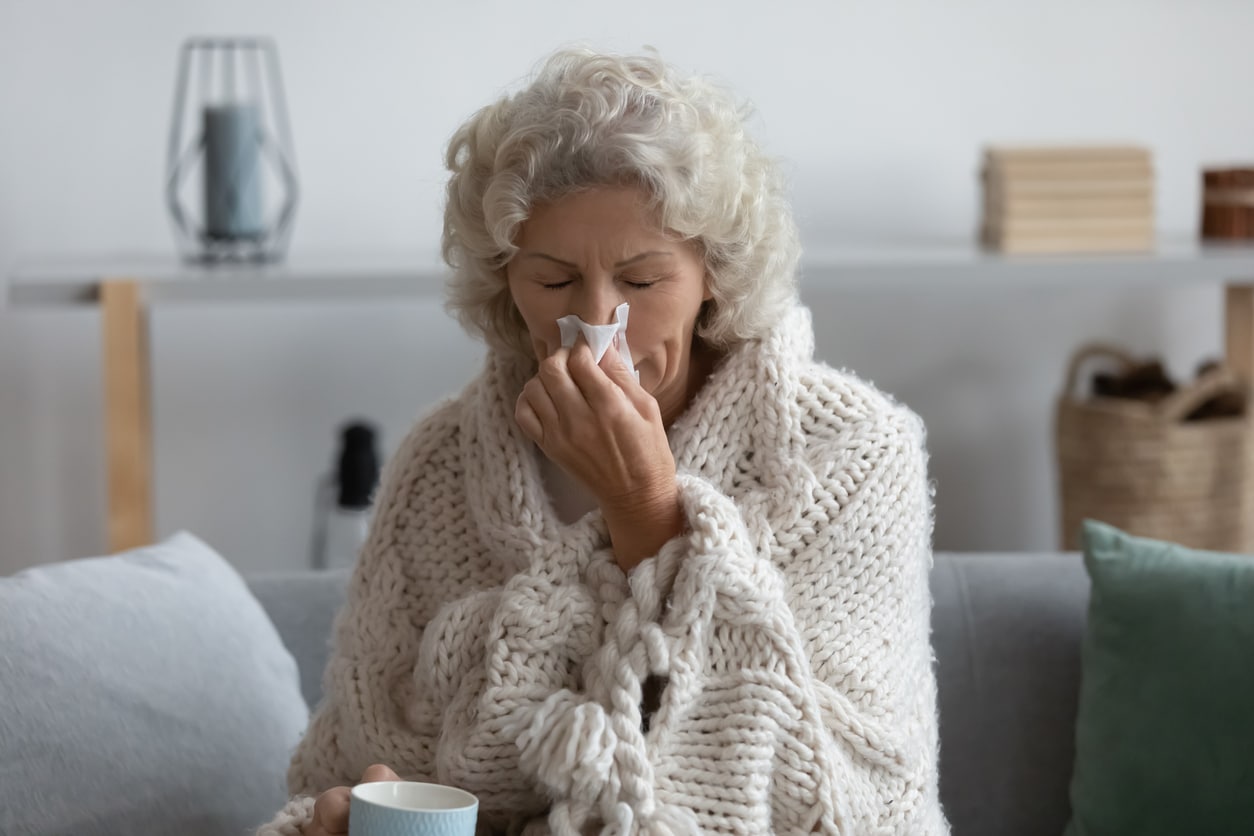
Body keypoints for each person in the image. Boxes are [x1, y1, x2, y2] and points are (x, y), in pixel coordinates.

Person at [259, 46, 947, 836]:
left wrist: (646, 508)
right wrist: (346, 815)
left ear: (713, 274)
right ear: (504, 282)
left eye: (643, 281)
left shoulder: (853, 455)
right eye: (553, 281)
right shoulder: (441, 464)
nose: (595, 325)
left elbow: (838, 798)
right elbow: (345, 771)